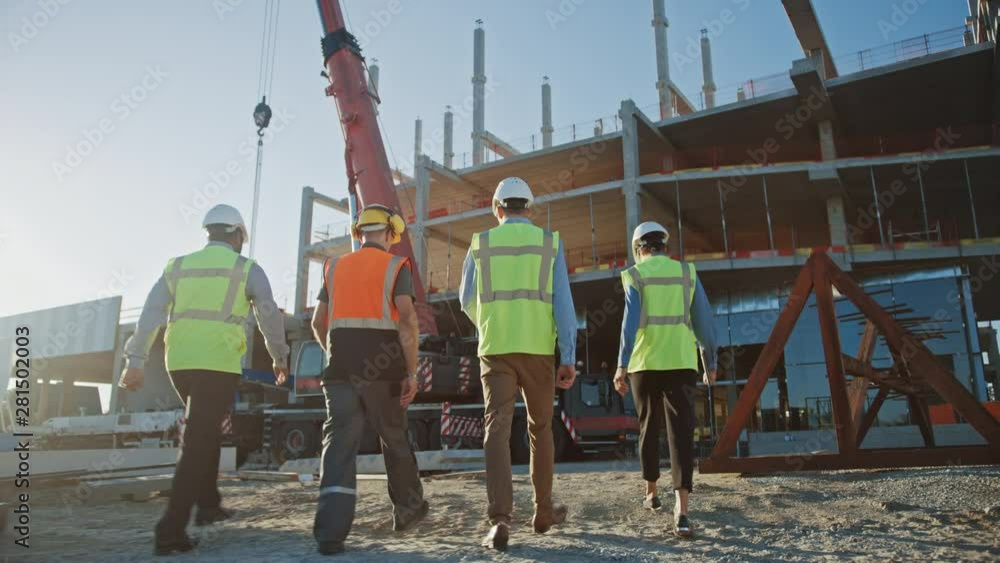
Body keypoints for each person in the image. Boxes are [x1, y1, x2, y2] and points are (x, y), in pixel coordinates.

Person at [120, 204, 290, 556]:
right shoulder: (247, 269)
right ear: (238, 235)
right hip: (218, 363)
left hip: (179, 362)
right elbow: (268, 314)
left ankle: (209, 505)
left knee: (207, 429)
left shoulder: (177, 266)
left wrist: (135, 360)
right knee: (198, 438)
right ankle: (170, 531)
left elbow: (151, 314)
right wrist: (279, 357)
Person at [459, 177, 577, 551]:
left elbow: (465, 299)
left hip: (495, 348)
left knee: (496, 429)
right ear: (529, 208)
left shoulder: (481, 243)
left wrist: (491, 322)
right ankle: (543, 510)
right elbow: (564, 305)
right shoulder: (549, 243)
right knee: (540, 428)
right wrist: (568, 355)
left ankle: (499, 521)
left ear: (497, 210)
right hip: (539, 349)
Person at [310, 203, 428, 556]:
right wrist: (411, 371)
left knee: (339, 448)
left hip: (340, 372)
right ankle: (407, 511)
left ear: (358, 232)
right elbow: (407, 320)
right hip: (385, 372)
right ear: (390, 233)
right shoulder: (396, 266)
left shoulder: (334, 266)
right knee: (394, 438)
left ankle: (330, 534)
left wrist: (336, 354)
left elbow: (318, 322)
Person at [613, 221, 718, 538]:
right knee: (681, 432)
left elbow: (629, 324)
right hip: (682, 363)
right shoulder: (687, 274)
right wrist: (709, 362)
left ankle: (651, 493)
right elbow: (704, 321)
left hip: (644, 364)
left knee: (648, 425)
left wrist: (621, 364)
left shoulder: (635, 275)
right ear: (665, 246)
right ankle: (682, 510)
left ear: (638, 248)